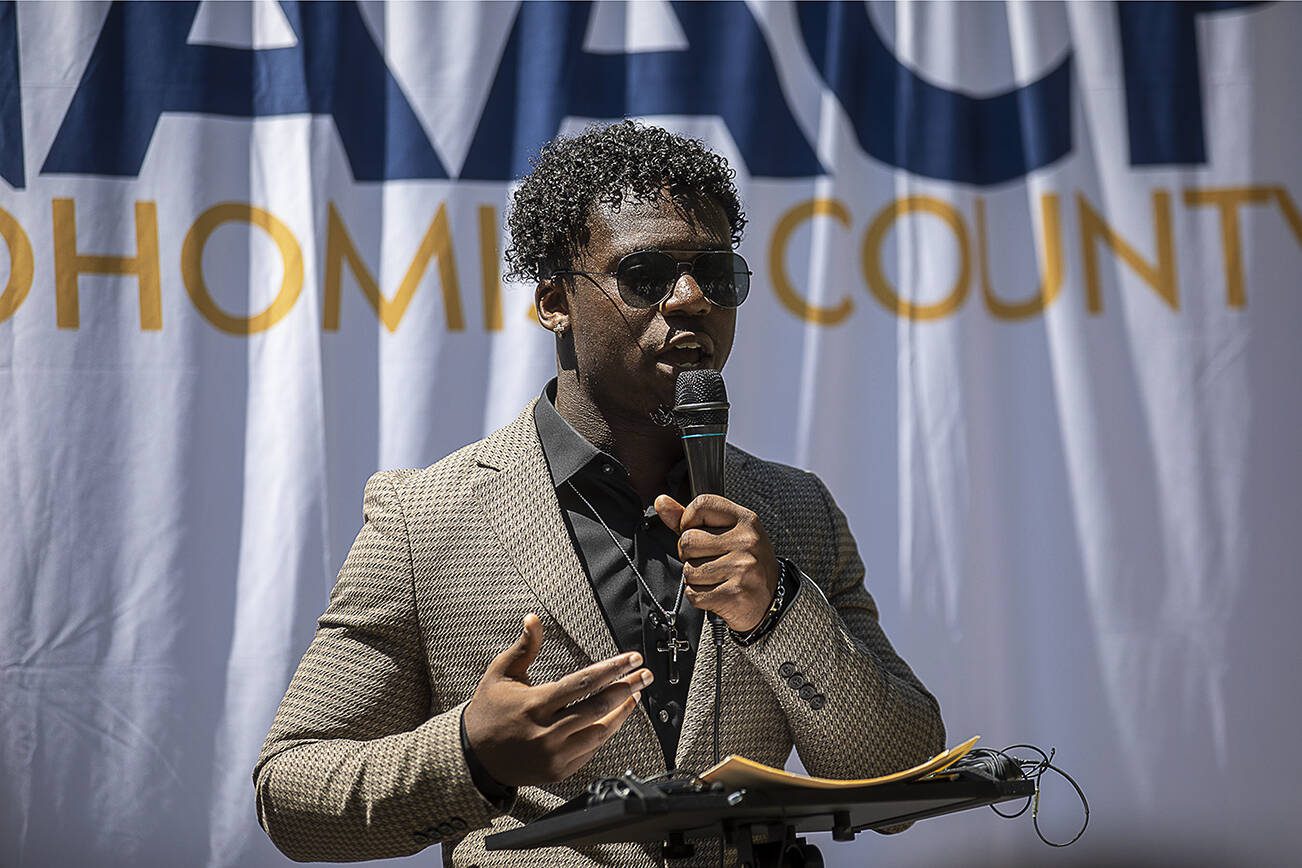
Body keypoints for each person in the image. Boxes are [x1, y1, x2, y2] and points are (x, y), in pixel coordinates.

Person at [253, 120, 945, 867]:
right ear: (555, 302)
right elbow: (291, 792)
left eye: (716, 274)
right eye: (645, 276)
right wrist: (471, 754)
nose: (689, 300)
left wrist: (777, 609)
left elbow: (902, 777)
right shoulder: (427, 519)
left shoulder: (795, 512)